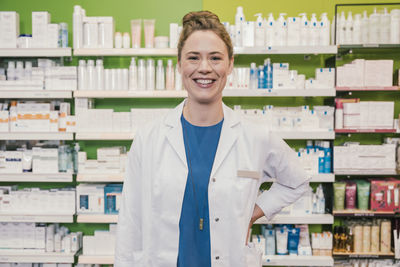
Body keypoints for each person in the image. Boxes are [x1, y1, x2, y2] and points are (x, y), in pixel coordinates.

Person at [115, 10, 310, 267]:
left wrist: (252, 213)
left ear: (230, 64)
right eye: (193, 58)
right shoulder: (149, 138)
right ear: (179, 64)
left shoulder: (256, 136)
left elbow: (297, 181)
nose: (204, 68)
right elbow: (130, 221)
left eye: (215, 58)